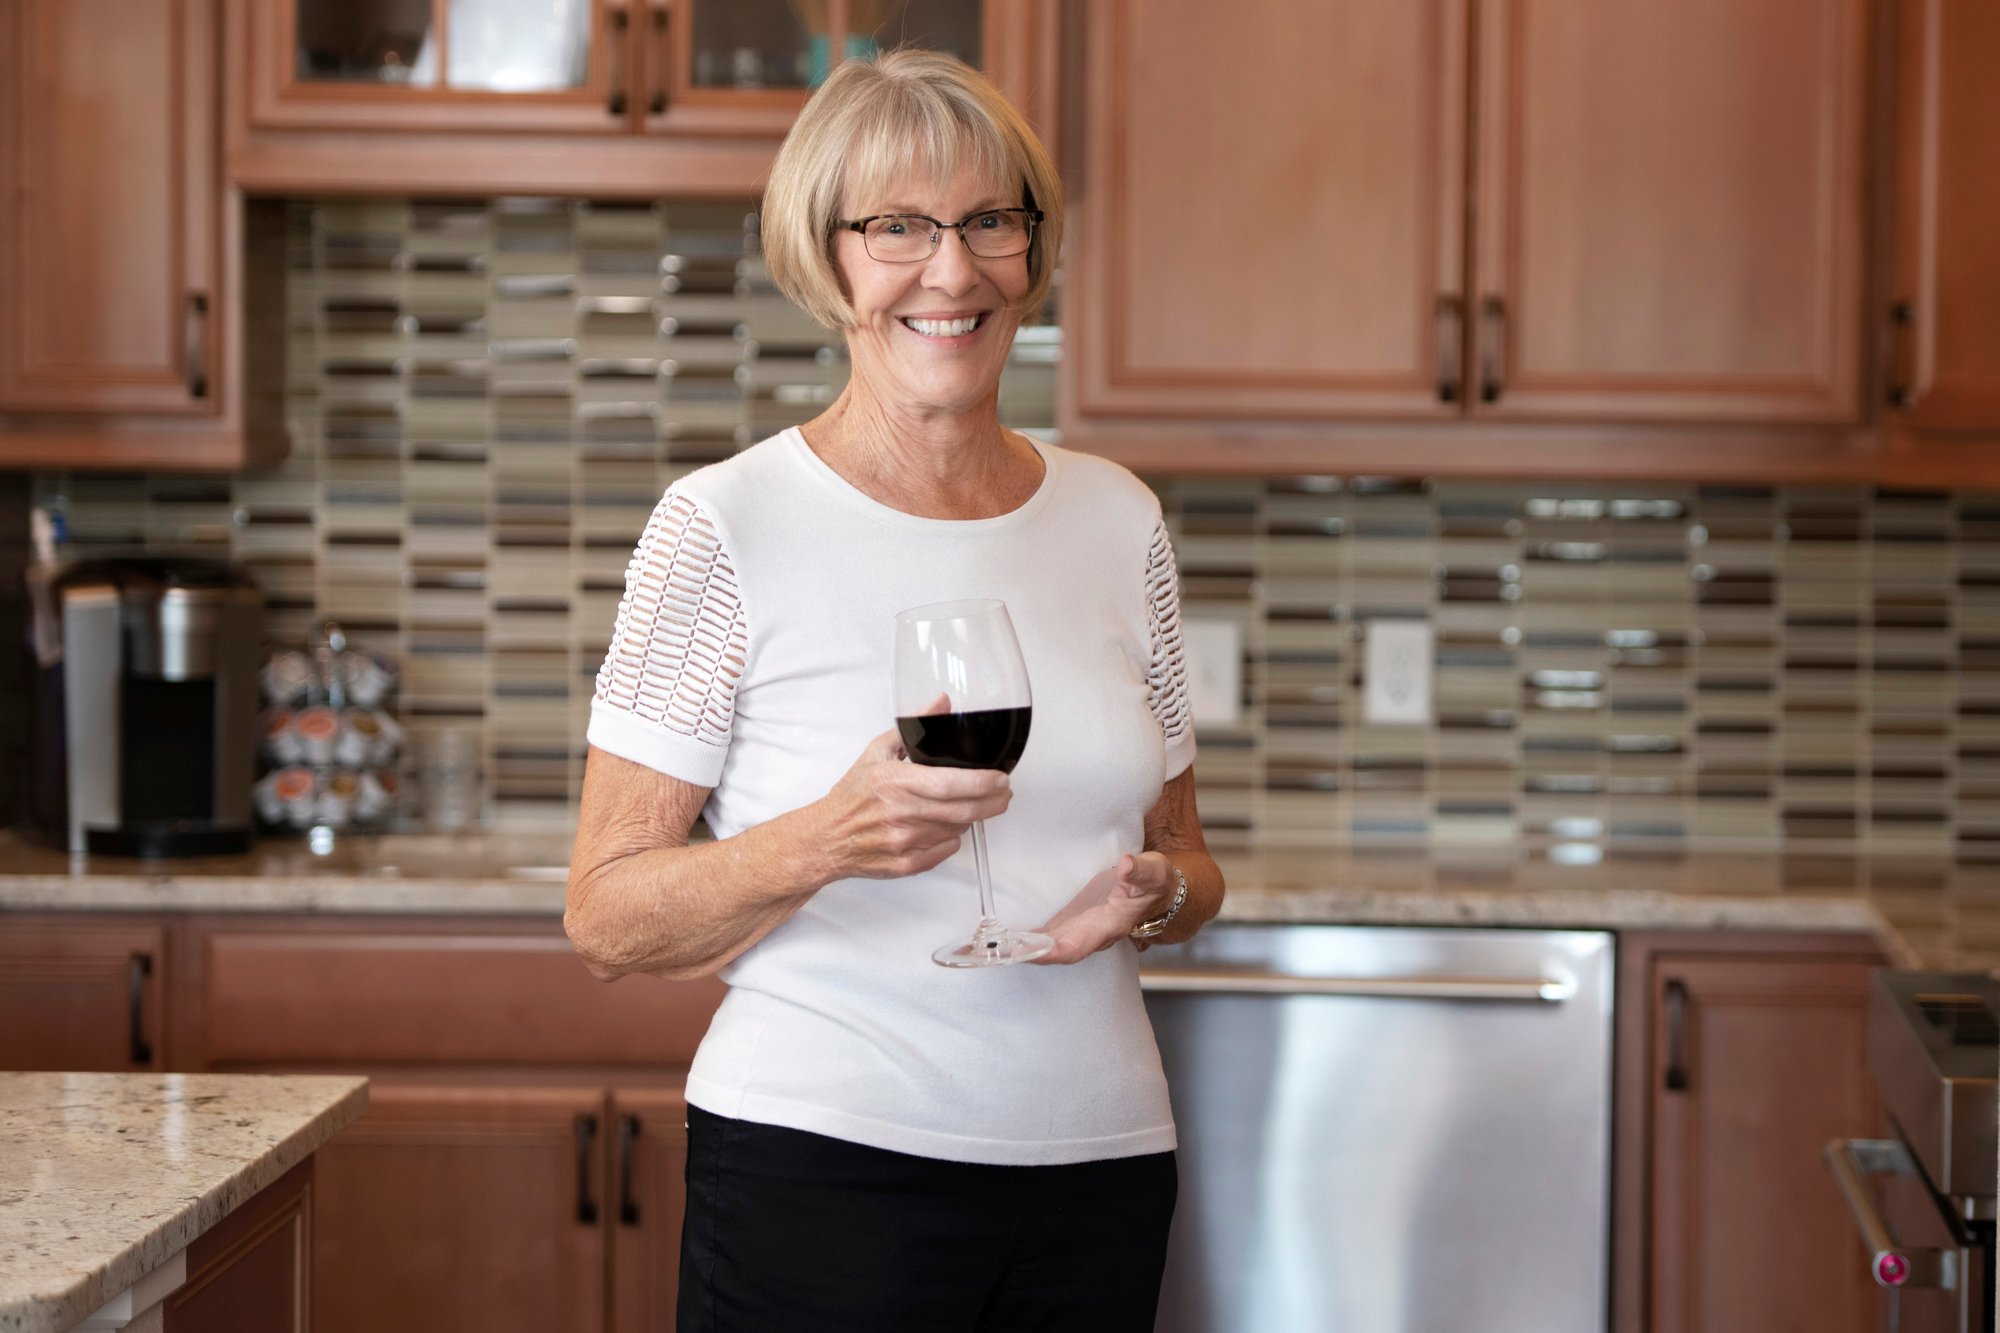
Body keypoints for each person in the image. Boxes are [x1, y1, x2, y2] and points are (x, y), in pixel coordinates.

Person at [564, 47, 1224, 1333]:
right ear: (829, 256)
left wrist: (1156, 895)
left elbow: (1189, 860)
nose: (952, 269)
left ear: (1030, 251)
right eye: (898, 227)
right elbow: (605, 915)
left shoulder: (1117, 518)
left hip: (1101, 1167)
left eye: (990, 220)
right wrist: (825, 840)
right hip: (823, 1171)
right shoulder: (722, 526)